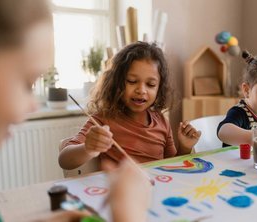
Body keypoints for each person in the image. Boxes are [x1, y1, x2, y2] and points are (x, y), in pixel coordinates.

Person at [0, 0, 150, 221]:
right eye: (26, 83)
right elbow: (66, 158)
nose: (32, 105)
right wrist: (128, 214)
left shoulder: (158, 120)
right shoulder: (103, 119)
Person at [59, 41, 201, 170]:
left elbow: (171, 166)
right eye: (132, 81)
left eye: (150, 84)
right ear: (117, 82)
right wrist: (87, 148)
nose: (141, 90)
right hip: (121, 194)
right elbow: (64, 160)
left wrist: (184, 147)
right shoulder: (103, 120)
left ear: (159, 88)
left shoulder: (162, 122)